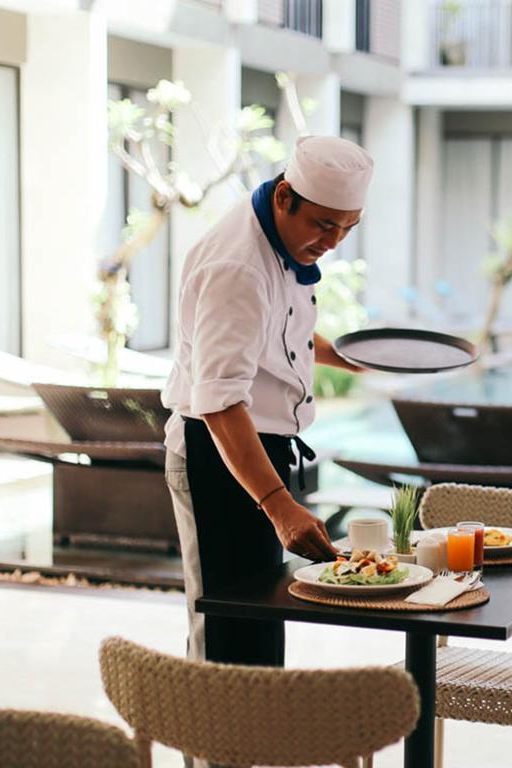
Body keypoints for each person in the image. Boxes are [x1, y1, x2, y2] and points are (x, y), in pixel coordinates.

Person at [162, 136, 373, 672]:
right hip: (219, 457)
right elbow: (218, 400)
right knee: (225, 633)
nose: (333, 243)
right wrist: (279, 506)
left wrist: (347, 358)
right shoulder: (239, 267)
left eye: (347, 229)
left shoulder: (279, 240)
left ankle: (252, 749)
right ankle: (215, 756)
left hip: (256, 455)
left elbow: (277, 333)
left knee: (257, 628)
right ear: (285, 197)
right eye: (324, 225)